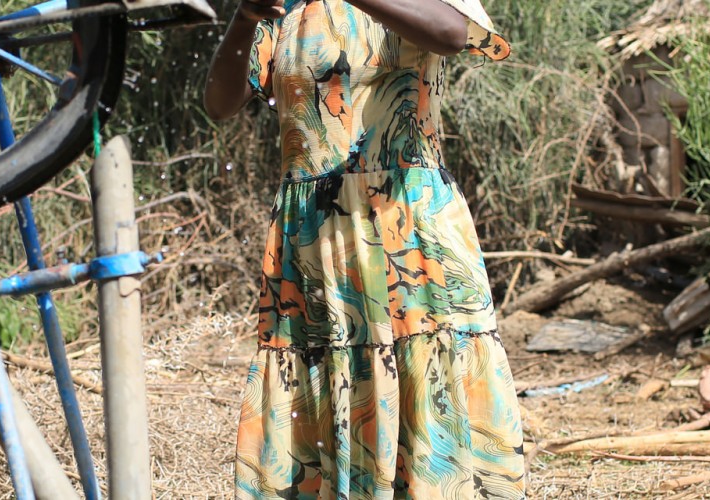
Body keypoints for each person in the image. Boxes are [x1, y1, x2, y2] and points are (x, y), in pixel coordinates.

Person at [204, 0, 523, 497]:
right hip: (315, 236)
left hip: (409, 226)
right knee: (329, 381)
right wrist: (245, 18)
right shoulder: (286, 10)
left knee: (428, 388)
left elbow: (452, 33)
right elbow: (220, 103)